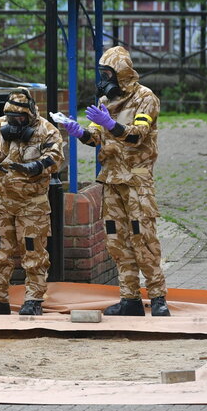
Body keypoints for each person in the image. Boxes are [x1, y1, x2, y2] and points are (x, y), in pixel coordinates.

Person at [63, 46, 170, 317]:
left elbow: (137, 136)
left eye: (107, 73)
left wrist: (111, 125)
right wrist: (78, 132)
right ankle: (130, 300)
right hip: (111, 181)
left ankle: (157, 298)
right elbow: (95, 137)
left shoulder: (146, 98)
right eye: (101, 73)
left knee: (143, 238)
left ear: (120, 73)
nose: (103, 79)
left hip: (136, 181)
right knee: (117, 240)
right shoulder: (104, 101)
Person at [0, 87, 64, 316]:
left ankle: (33, 299)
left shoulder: (46, 130)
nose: (16, 123)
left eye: (20, 118)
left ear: (30, 115)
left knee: (34, 254)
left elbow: (56, 157)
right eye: (12, 118)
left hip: (32, 204)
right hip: (2, 202)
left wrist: (37, 166)